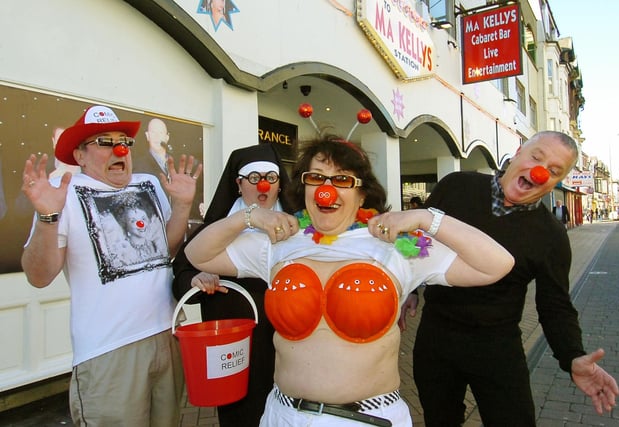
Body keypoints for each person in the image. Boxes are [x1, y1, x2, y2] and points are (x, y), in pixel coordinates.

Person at [183, 135, 514, 426]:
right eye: (317, 177)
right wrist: (249, 216)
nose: (328, 190)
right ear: (304, 187)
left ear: (361, 194)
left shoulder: (397, 245)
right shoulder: (279, 242)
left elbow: (496, 264)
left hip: (366, 418)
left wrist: (427, 218)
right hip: (284, 415)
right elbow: (199, 255)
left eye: (342, 179)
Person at [403, 131, 619, 426]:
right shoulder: (456, 186)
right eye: (537, 157)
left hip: (497, 346)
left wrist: (572, 356)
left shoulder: (551, 236)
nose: (541, 171)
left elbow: (554, 305)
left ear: (556, 183)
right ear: (518, 153)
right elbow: (421, 242)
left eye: (554, 171)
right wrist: (411, 289)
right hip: (436, 337)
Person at [20, 105, 202, 426]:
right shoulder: (64, 194)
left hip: (167, 337)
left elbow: (166, 250)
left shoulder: (149, 184)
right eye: (104, 142)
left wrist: (183, 205)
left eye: (124, 142)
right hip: (110, 351)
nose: (120, 149)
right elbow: (39, 276)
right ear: (80, 156)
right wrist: (48, 218)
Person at [172, 143, 293, 427]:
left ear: (279, 184)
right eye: (254, 178)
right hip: (233, 334)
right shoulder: (217, 227)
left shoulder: (295, 225)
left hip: (284, 333)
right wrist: (195, 279)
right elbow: (183, 267)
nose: (263, 184)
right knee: (240, 411)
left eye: (271, 178)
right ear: (238, 184)